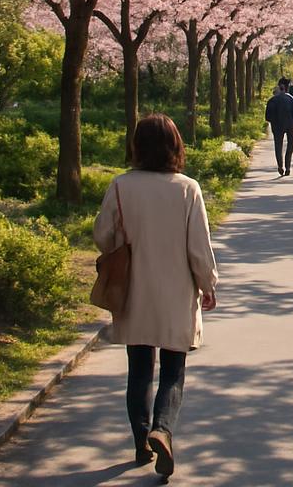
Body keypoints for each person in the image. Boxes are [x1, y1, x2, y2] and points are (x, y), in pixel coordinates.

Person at [93, 114, 218, 478]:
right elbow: (198, 247)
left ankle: (139, 442)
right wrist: (207, 283)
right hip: (177, 289)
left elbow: (103, 236)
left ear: (137, 147)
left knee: (139, 369)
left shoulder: (120, 186)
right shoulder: (187, 189)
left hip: (135, 289)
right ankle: (162, 429)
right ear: (175, 147)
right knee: (173, 371)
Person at [265, 80, 293, 176]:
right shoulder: (290, 98)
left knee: (278, 146)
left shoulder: (272, 100)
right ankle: (288, 166)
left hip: (277, 126)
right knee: (290, 145)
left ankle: (280, 166)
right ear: (285, 89)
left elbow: (267, 117)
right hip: (290, 125)